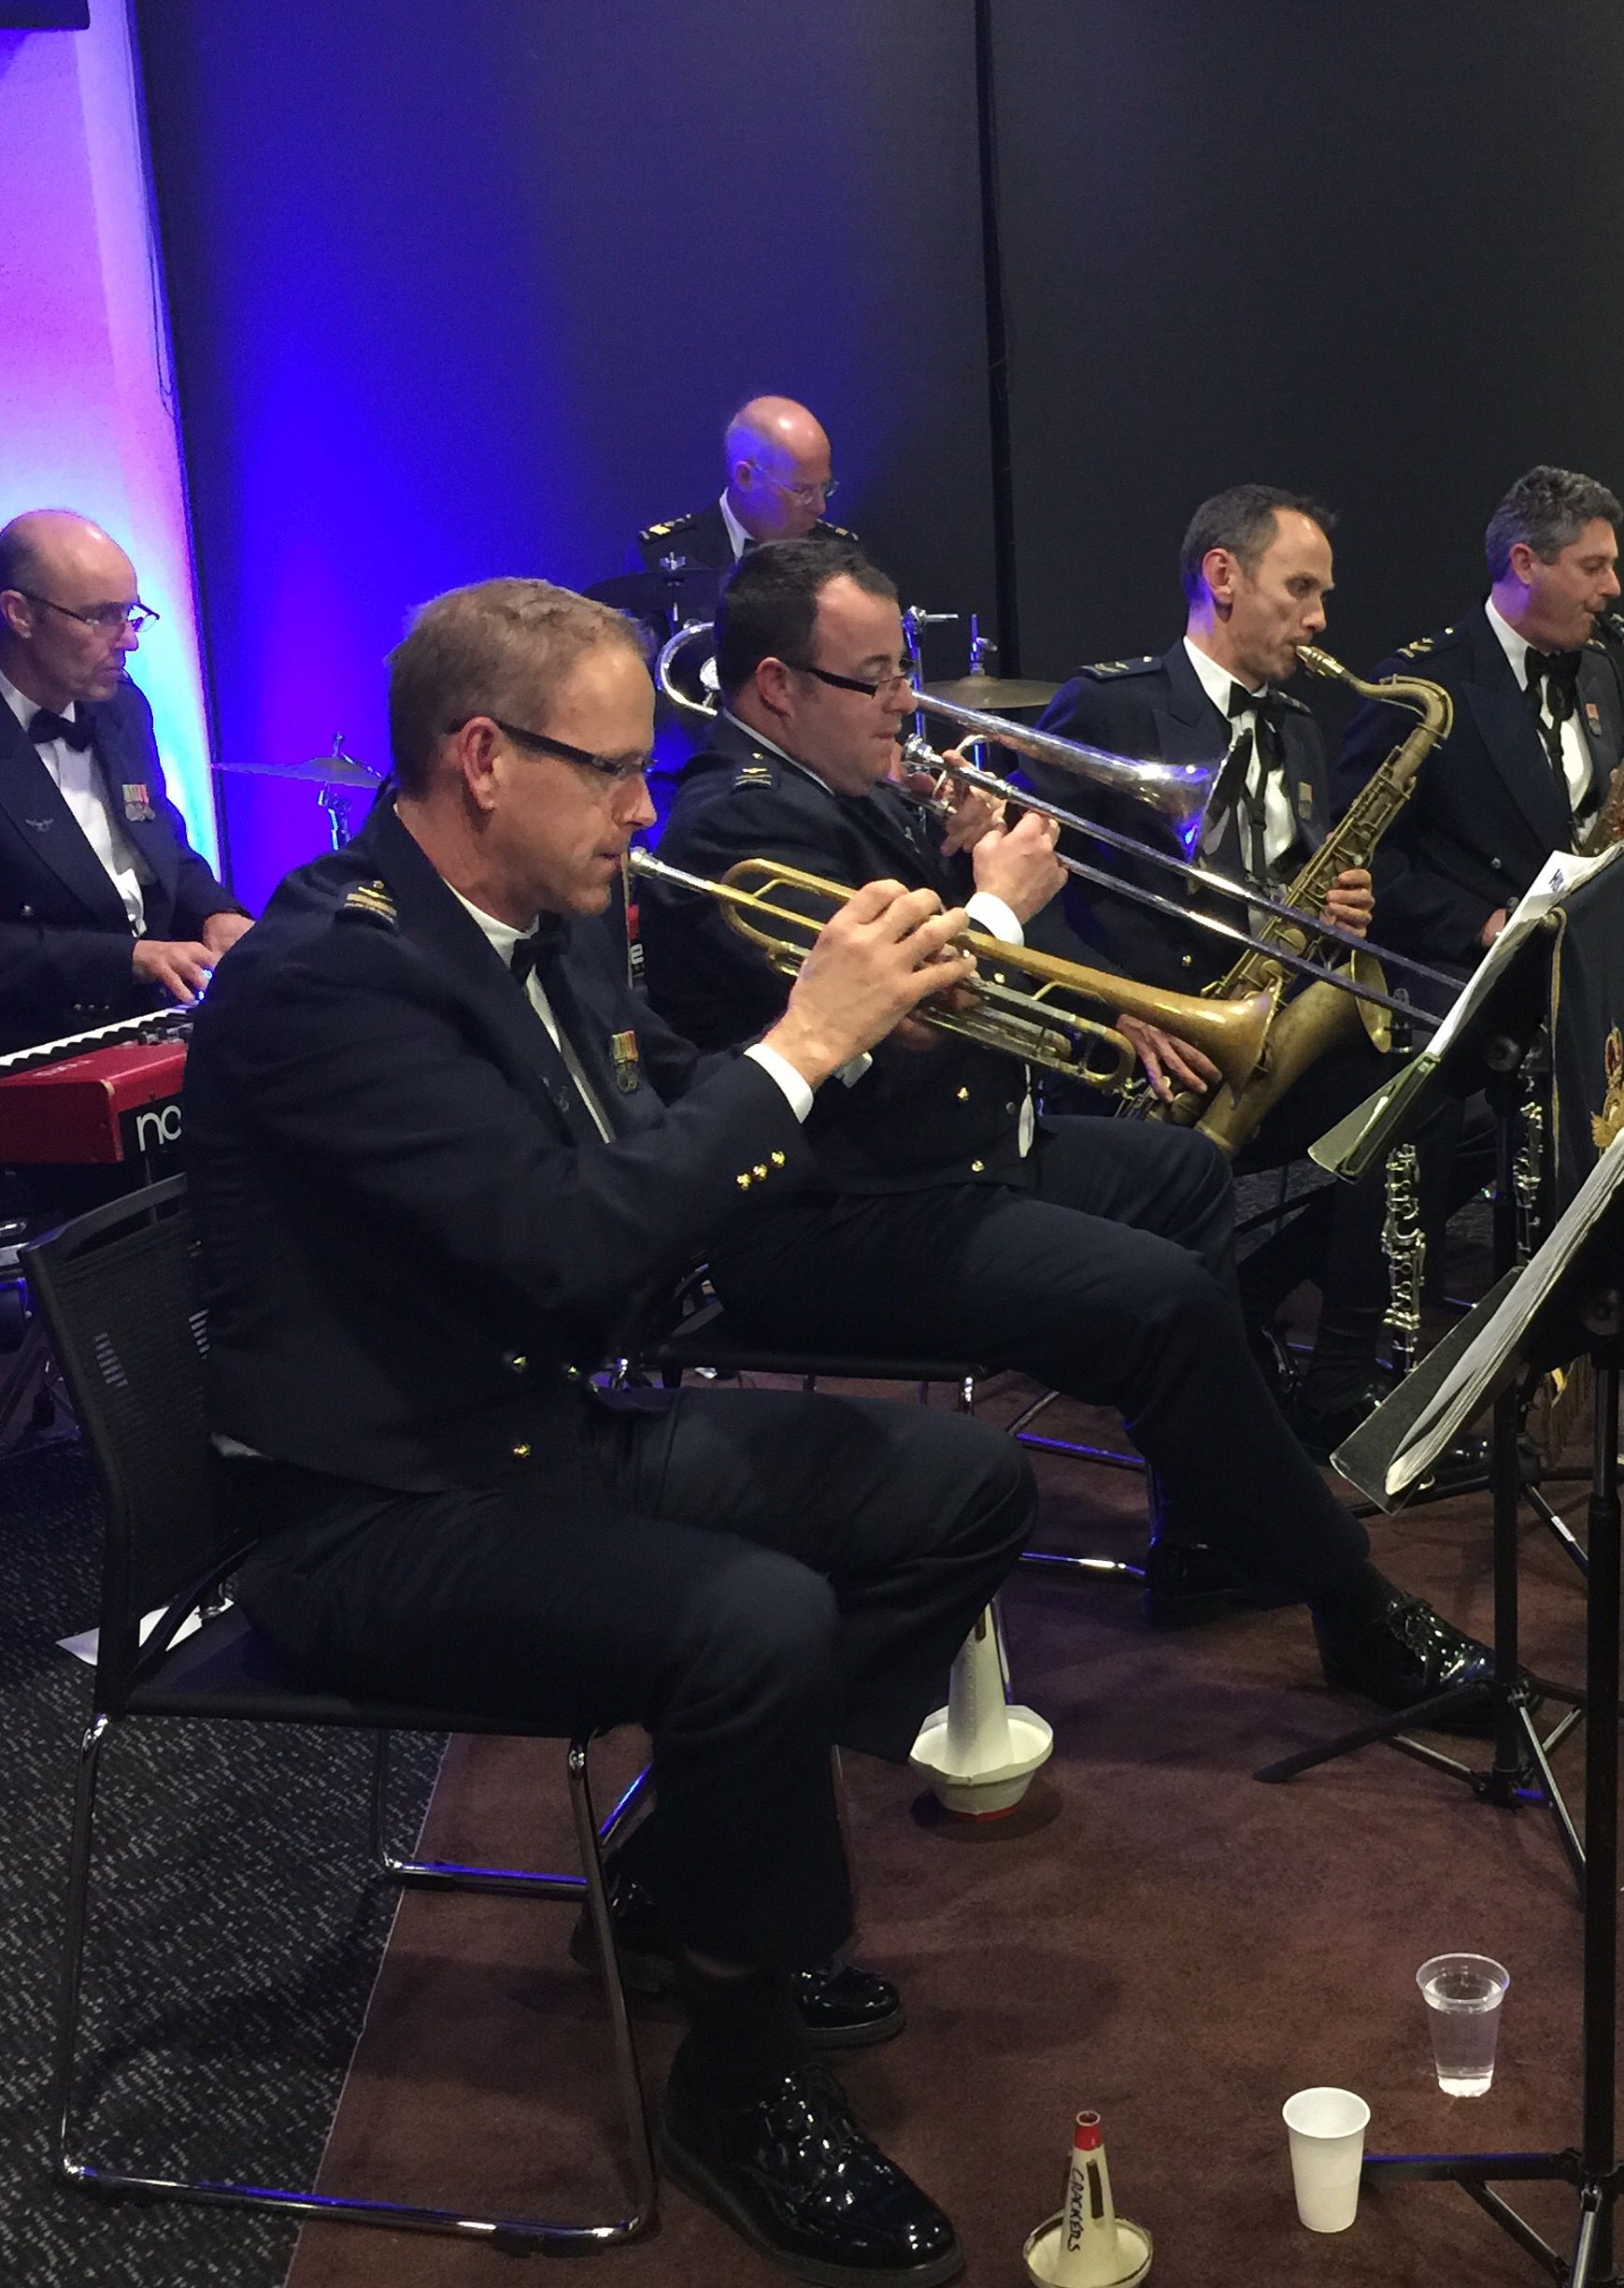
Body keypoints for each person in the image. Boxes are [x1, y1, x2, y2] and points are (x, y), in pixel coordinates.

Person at [186, 577, 1032, 2286]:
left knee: (965, 1486)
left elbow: (644, 1137)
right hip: (368, 1511)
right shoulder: (326, 980)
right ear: (483, 758)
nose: (647, 811)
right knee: (754, 1619)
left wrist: (847, 1045)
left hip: (532, 1429)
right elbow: (563, 1237)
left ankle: (683, 1882)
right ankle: (741, 2066)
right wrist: (799, 1044)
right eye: (616, 771)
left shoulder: (553, 919)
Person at [641, 535, 1492, 1709]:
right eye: (876, 679)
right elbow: (895, 1024)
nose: (907, 702)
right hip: (830, 1211)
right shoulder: (736, 825)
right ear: (777, 687)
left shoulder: (838, 785)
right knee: (1165, 1300)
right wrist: (993, 903)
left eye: (905, 669)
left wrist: (952, 854)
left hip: (941, 1155)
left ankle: (1203, 1525)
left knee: (1184, 1175)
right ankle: (1347, 1600)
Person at [1022, 485, 1427, 1447]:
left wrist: (1336, 912)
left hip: (1258, 1032)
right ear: (1224, 577)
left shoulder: (1298, 726)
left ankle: (1333, 1380)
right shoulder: (1112, 704)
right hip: (1146, 1053)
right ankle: (1218, 1365)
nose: (1320, 619)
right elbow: (1017, 889)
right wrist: (1113, 1013)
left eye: (1323, 596)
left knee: (1409, 1102)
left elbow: (1290, 884)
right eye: (1301, 589)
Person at [1338, 465, 1624, 985]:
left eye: (1611, 566)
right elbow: (1360, 855)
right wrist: (1480, 924)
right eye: (1593, 567)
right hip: (1479, 966)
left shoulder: (1597, 667)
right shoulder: (1421, 685)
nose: (1613, 586)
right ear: (1525, 563)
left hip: (1587, 938)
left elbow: (1587, 814)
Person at [0, 509, 248, 1053]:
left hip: (150, 1020)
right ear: (19, 614)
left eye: (131, 613)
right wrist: (127, 959)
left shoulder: (123, 707)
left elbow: (164, 849)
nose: (129, 640)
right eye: (101, 617)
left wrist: (215, 913)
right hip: (34, 1042)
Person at [634, 394, 852, 586]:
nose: (820, 507)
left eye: (824, 487)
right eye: (802, 490)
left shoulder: (840, 556)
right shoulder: (663, 558)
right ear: (745, 477)